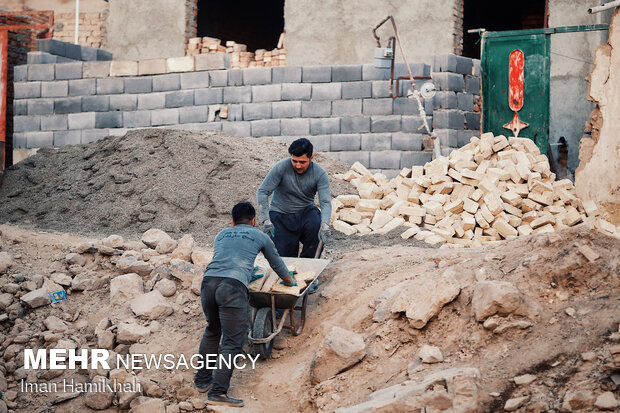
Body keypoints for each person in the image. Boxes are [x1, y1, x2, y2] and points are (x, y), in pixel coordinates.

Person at [194, 202, 295, 408]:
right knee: (232, 342)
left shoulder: (221, 235)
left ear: (232, 221)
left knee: (212, 330)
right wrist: (290, 281)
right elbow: (277, 264)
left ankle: (203, 380)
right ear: (253, 221)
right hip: (231, 286)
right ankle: (219, 392)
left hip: (209, 282)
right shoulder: (260, 236)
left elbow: (229, 257)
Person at [257, 138, 332, 261]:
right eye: (294, 161)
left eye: (302, 162)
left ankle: (308, 266)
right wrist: (266, 220)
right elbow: (262, 192)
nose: (298, 165)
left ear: (311, 158)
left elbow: (325, 202)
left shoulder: (319, 173)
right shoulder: (281, 167)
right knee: (285, 258)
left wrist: (325, 224)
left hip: (305, 213)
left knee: (316, 225)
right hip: (281, 214)